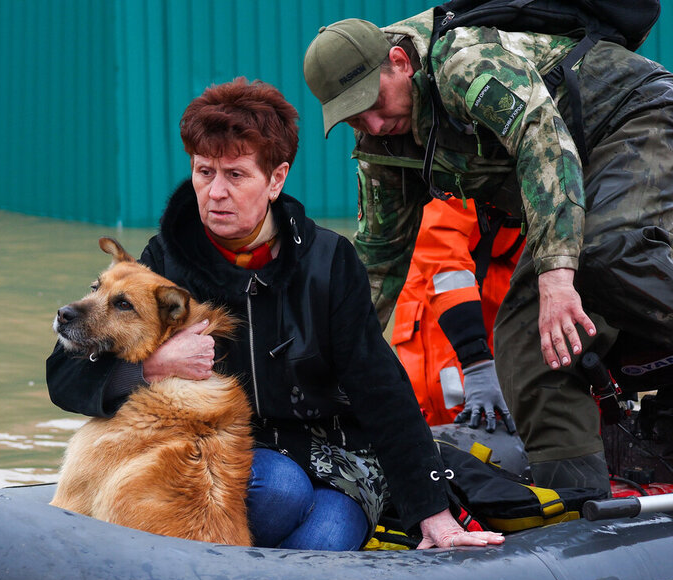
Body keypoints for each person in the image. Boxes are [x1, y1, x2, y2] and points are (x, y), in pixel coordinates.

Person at [46, 77, 503, 551]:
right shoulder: (165, 261)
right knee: (277, 491)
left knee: (323, 541)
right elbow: (64, 377)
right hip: (236, 458)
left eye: (235, 175)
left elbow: (381, 389)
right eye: (204, 172)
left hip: (337, 461)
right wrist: (149, 367)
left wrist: (434, 513)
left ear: (276, 179)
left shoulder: (330, 260)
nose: (215, 192)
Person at [303, 13, 673, 497]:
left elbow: (545, 142)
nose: (371, 123)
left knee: (603, 256)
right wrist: (328, 368)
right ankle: (583, 514)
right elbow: (378, 261)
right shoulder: (382, 143)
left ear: (399, 62)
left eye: (373, 102)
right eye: (353, 117)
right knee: (530, 343)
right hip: (576, 169)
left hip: (633, 118)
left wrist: (557, 278)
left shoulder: (466, 65)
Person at [393, 197, 521, 429]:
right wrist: (476, 361)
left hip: (507, 289)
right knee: (449, 411)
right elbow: (441, 248)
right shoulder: (451, 175)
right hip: (446, 305)